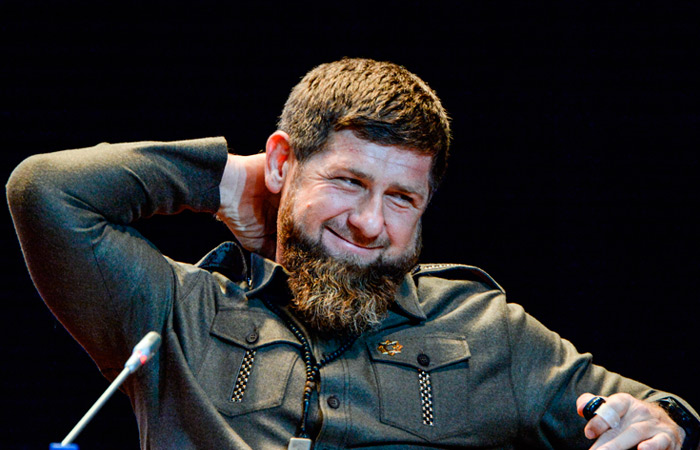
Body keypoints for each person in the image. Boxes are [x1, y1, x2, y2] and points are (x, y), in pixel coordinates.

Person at [7, 57, 700, 450]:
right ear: (284, 163)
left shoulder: (488, 331)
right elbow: (46, 191)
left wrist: (661, 422)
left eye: (402, 198)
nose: (371, 223)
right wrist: (227, 180)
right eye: (348, 182)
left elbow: (658, 413)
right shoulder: (175, 312)